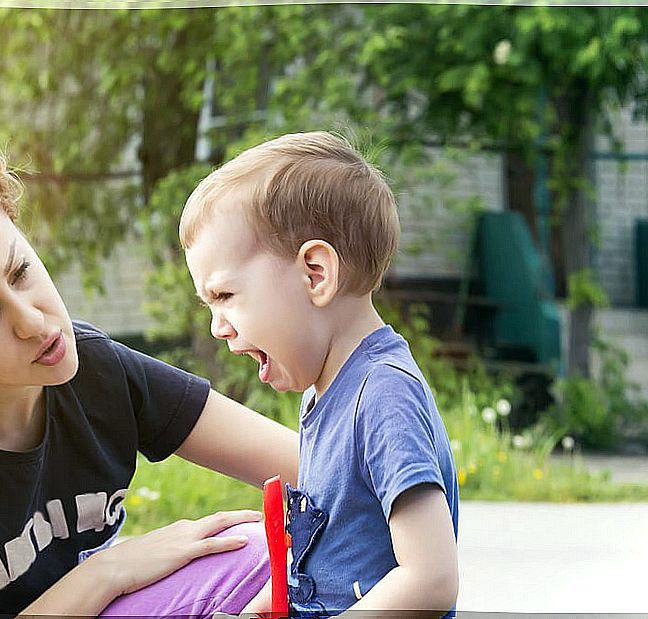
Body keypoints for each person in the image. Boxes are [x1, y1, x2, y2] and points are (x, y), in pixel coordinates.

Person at [0, 121, 299, 617]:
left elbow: (314, 464)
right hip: (84, 598)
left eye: (20, 271)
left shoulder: (93, 367)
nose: (33, 321)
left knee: (261, 552)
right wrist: (109, 571)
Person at [181, 131, 460, 616]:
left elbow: (432, 577)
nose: (217, 327)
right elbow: (320, 557)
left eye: (224, 296)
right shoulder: (322, 395)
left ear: (315, 273)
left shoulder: (383, 394)